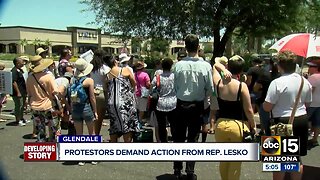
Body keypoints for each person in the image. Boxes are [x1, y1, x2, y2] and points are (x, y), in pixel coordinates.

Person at [263, 51, 312, 180]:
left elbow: (267, 107)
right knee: (296, 158)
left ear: (279, 65)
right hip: (301, 119)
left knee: (279, 159)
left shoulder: (277, 83)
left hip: (282, 122)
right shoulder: (304, 81)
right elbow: (308, 103)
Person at [172, 34, 214, 180]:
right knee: (193, 139)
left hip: (180, 104)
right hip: (197, 106)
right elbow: (210, 89)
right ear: (198, 47)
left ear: (185, 47)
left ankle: (177, 170)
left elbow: (174, 86)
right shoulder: (206, 66)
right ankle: (190, 171)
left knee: (178, 138)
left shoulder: (177, 65)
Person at [213, 55, 256, 180]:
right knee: (235, 162)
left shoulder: (219, 82)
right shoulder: (242, 86)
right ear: (241, 70)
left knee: (224, 159)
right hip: (238, 126)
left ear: (228, 67)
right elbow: (248, 110)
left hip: (220, 125)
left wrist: (223, 69)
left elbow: (215, 64)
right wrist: (253, 126)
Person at [104, 55, 139, 142]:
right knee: (127, 125)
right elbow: (134, 83)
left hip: (111, 102)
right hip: (125, 101)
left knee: (114, 125)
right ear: (115, 61)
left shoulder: (108, 74)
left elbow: (106, 89)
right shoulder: (124, 70)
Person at [72, 58, 98, 166]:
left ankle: (81, 158)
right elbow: (92, 97)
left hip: (76, 108)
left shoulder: (73, 80)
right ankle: (92, 157)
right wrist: (95, 111)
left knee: (79, 134)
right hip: (86, 108)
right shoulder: (89, 81)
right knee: (91, 133)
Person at [26, 58, 59, 142]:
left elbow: (29, 93)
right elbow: (55, 91)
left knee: (40, 129)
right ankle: (53, 147)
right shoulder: (48, 76)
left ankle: (42, 147)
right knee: (53, 128)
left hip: (35, 106)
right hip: (48, 105)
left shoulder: (30, 77)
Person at [151, 58, 176, 143]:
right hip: (173, 103)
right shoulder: (175, 76)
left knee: (161, 125)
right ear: (171, 66)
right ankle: (175, 139)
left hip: (160, 103)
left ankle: (163, 141)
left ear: (162, 66)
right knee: (174, 124)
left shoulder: (158, 77)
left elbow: (151, 87)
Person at [90, 49, 110, 135]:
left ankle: (92, 135)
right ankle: (96, 135)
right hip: (101, 92)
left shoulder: (90, 67)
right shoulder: (105, 68)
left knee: (92, 117)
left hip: (91, 92)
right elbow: (106, 83)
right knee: (99, 118)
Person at [306, 60, 320, 148]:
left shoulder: (313, 77)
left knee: (305, 121)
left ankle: (303, 138)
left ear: (316, 68)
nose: (309, 68)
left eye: (311, 67)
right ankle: (315, 139)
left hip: (311, 103)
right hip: (319, 104)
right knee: (317, 122)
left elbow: (310, 91)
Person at [11, 57, 29, 126]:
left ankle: (21, 118)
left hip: (23, 91)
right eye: (22, 61)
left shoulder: (20, 70)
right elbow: (14, 82)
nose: (23, 62)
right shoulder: (14, 71)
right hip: (18, 92)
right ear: (17, 63)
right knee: (19, 106)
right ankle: (17, 120)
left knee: (22, 106)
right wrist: (18, 92)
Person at [134, 59, 151, 124]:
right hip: (143, 94)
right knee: (142, 109)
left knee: (136, 108)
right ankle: (139, 121)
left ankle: (135, 121)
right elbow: (148, 84)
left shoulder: (133, 74)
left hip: (135, 93)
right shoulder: (145, 75)